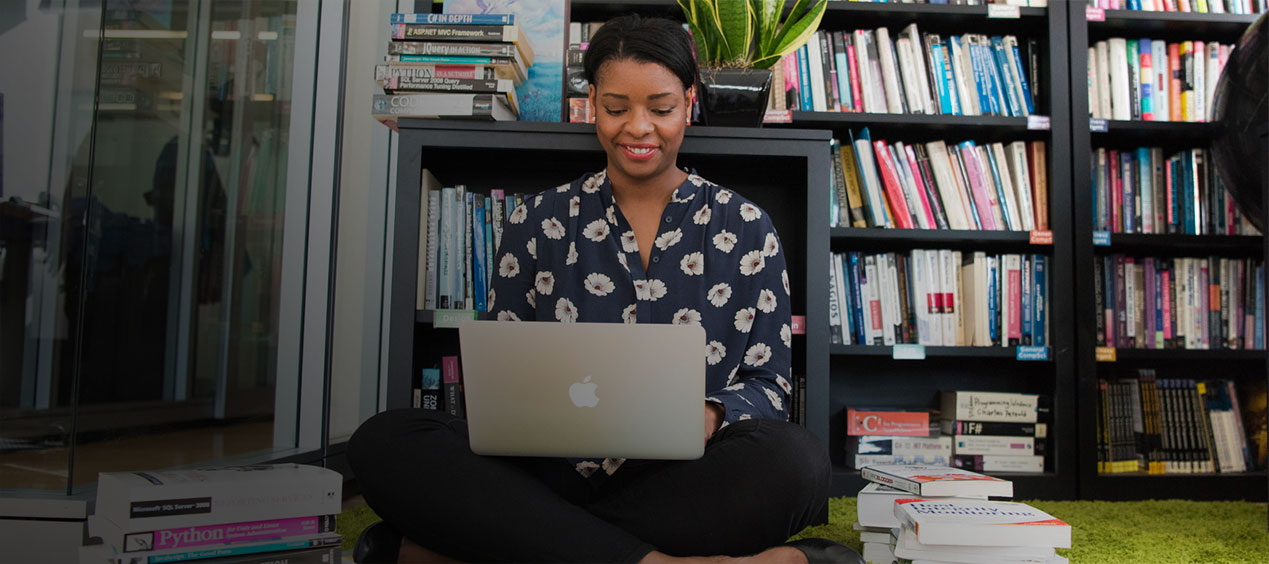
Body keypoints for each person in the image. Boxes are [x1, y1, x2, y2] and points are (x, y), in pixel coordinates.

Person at [348, 14, 861, 564]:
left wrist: (708, 416)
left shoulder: (747, 226)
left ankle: (482, 550)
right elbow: (498, 373)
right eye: (616, 109)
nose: (638, 128)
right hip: (546, 476)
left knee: (798, 463)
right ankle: (651, 560)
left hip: (684, 482)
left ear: (689, 102)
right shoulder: (535, 220)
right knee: (383, 442)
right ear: (592, 102)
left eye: (660, 109)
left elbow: (771, 386)